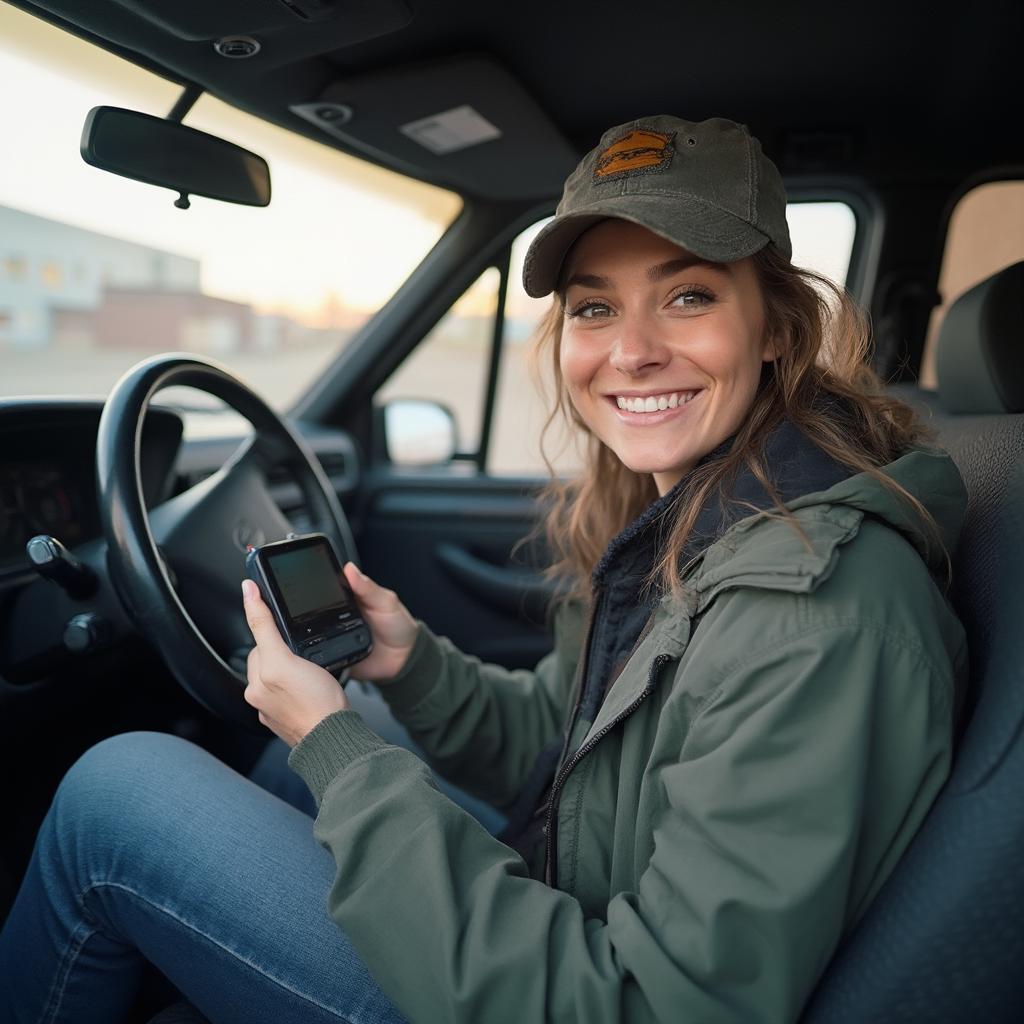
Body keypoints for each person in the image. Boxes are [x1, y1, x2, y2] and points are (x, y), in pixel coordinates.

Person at [0, 115, 967, 1024]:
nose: (631, 351)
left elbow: (647, 1002)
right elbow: (565, 752)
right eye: (596, 307)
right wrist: (410, 665)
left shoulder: (818, 609)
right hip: (569, 895)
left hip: (576, 978)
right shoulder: (697, 517)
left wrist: (338, 752)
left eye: (689, 295)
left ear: (777, 330)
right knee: (303, 745)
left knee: (114, 792)